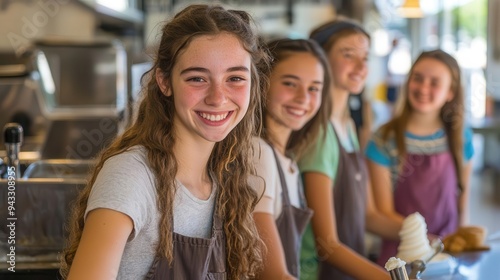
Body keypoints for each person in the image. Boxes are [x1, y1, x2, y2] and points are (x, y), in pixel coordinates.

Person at [59, 4, 271, 279]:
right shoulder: (133, 176)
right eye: (197, 78)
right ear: (164, 81)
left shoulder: (227, 177)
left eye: (235, 78)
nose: (218, 97)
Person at [298, 17, 400, 280]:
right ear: (320, 59)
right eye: (348, 55)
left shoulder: (348, 128)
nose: (361, 66)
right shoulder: (319, 134)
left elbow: (369, 216)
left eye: (365, 57)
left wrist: (428, 237)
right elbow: (327, 245)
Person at [365, 49, 474, 266]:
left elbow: (462, 204)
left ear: (450, 92)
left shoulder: (461, 137)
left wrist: (462, 244)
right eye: (418, 78)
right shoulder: (384, 139)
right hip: (401, 260)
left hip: (448, 256)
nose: (424, 88)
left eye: (435, 82)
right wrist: (425, 241)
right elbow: (382, 213)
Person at [249, 38, 332, 280]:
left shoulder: (289, 161)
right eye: (290, 84)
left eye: (314, 88)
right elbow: (273, 274)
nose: (303, 98)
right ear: (262, 83)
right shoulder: (257, 152)